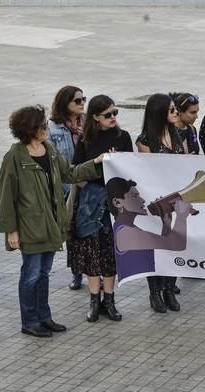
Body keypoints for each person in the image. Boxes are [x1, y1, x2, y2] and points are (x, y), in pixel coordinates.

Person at [0, 105, 103, 337]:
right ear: (29, 129)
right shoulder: (15, 157)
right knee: (31, 274)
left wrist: (96, 163)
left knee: (43, 274)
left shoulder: (50, 149)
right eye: (42, 126)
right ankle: (30, 321)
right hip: (31, 226)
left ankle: (44, 317)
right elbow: (6, 197)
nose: (46, 128)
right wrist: (11, 230)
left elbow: (71, 174)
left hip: (52, 224)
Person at [72, 95, 133, 323]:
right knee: (92, 250)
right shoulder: (86, 139)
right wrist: (90, 187)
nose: (113, 118)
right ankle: (94, 300)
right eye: (108, 115)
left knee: (110, 250)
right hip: (91, 201)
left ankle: (110, 299)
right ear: (95, 117)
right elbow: (75, 171)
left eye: (115, 113)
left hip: (115, 200)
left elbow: (132, 169)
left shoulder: (123, 137)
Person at [136, 93, 186, 312]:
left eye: (176, 109)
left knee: (175, 245)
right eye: (172, 110)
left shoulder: (180, 134)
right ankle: (154, 292)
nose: (176, 113)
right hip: (156, 201)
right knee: (156, 246)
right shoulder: (145, 140)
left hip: (176, 198)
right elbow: (148, 171)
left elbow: (187, 162)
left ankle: (169, 288)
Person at [46, 85, 86, 291]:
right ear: (65, 104)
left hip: (89, 183)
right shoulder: (52, 128)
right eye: (77, 101)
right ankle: (77, 271)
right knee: (72, 230)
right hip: (67, 187)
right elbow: (52, 161)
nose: (82, 104)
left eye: (83, 99)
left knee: (89, 228)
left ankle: (90, 268)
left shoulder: (89, 122)